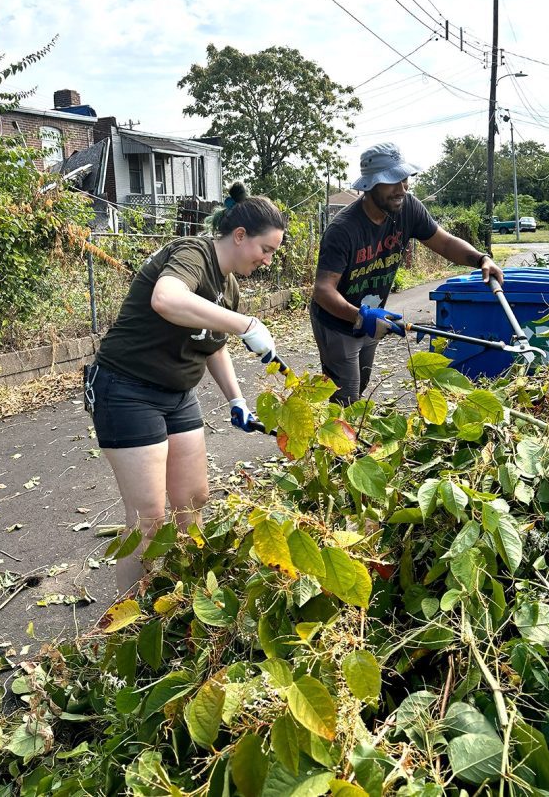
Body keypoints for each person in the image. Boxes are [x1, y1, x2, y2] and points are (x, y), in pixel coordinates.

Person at [85, 183, 285, 593]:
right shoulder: (191, 253)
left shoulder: (228, 288)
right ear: (240, 235)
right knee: (147, 520)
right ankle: (123, 623)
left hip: (177, 397)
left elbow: (214, 345)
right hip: (126, 390)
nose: (267, 260)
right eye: (265, 249)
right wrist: (246, 324)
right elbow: (167, 300)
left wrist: (238, 400)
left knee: (193, 503)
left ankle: (179, 603)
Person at [311, 142, 504, 405]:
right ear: (370, 184)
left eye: (404, 179)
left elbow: (445, 243)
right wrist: (361, 316)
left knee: (362, 381)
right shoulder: (343, 229)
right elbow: (323, 291)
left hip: (371, 316)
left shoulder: (408, 209)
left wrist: (481, 258)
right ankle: (331, 443)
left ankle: (339, 432)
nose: (402, 188)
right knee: (346, 393)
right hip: (337, 320)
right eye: (392, 181)